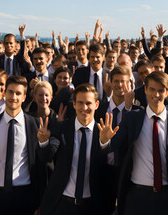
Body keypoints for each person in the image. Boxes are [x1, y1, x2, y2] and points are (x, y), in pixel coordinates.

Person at [101, 71, 168, 215]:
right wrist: (105, 141)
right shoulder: (132, 119)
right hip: (137, 196)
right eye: (152, 89)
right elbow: (115, 147)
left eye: (161, 90)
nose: (156, 94)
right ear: (145, 89)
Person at [0, 75, 57, 215]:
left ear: (24, 97)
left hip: (25, 196)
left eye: (18, 93)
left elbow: (42, 167)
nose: (14, 97)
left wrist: (42, 203)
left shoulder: (36, 125)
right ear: (5, 94)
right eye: (10, 92)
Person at [39, 84, 115, 215]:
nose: (84, 108)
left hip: (92, 206)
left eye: (88, 103)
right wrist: (44, 142)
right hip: (61, 204)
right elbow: (46, 156)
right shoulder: (61, 129)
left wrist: (104, 143)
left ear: (96, 105)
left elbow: (105, 166)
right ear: (74, 104)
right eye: (80, 103)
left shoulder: (103, 132)